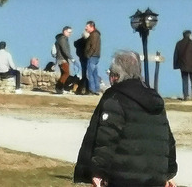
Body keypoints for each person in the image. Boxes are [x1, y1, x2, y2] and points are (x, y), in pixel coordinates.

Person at [74, 50, 178, 187]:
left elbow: (107, 139)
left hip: (122, 177)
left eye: (111, 74)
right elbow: (167, 139)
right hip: (154, 178)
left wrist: (98, 171)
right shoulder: (155, 100)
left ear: (116, 76)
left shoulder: (115, 98)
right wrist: (168, 173)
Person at [173, 30, 192, 100]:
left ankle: (186, 96)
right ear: (189, 35)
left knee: (184, 80)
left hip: (183, 65)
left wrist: (176, 65)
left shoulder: (179, 43)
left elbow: (176, 55)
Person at [54, 26, 74, 94]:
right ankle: (59, 87)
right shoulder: (62, 39)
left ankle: (60, 88)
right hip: (62, 59)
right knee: (66, 73)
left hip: (62, 59)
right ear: (64, 31)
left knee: (64, 73)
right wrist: (72, 58)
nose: (70, 34)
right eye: (69, 32)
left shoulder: (62, 39)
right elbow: (65, 50)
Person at [84, 21, 102, 95]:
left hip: (92, 56)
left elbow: (93, 46)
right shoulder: (95, 34)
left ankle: (92, 90)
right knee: (94, 73)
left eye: (87, 27)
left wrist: (88, 55)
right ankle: (96, 89)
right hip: (95, 56)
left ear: (92, 27)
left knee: (90, 73)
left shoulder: (94, 35)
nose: (85, 28)